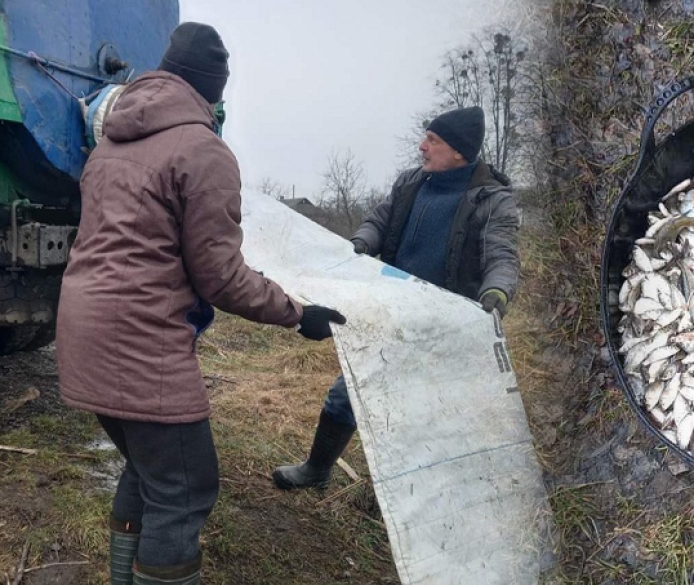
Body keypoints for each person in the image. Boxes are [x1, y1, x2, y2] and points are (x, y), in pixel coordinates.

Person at [54, 22, 346, 585]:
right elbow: (219, 277)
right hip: (139, 341)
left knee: (149, 469)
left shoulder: (110, 143)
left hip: (83, 328)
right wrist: (296, 313)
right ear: (213, 88)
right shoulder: (202, 149)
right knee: (186, 489)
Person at [271, 105, 521, 490]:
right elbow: (378, 221)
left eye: (432, 140)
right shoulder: (411, 182)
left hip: (443, 326)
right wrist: (359, 244)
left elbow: (501, 254)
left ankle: (426, 498)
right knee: (346, 394)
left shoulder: (493, 200)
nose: (422, 147)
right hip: (392, 314)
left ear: (458, 151)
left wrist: (497, 291)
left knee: (432, 417)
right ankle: (316, 470)